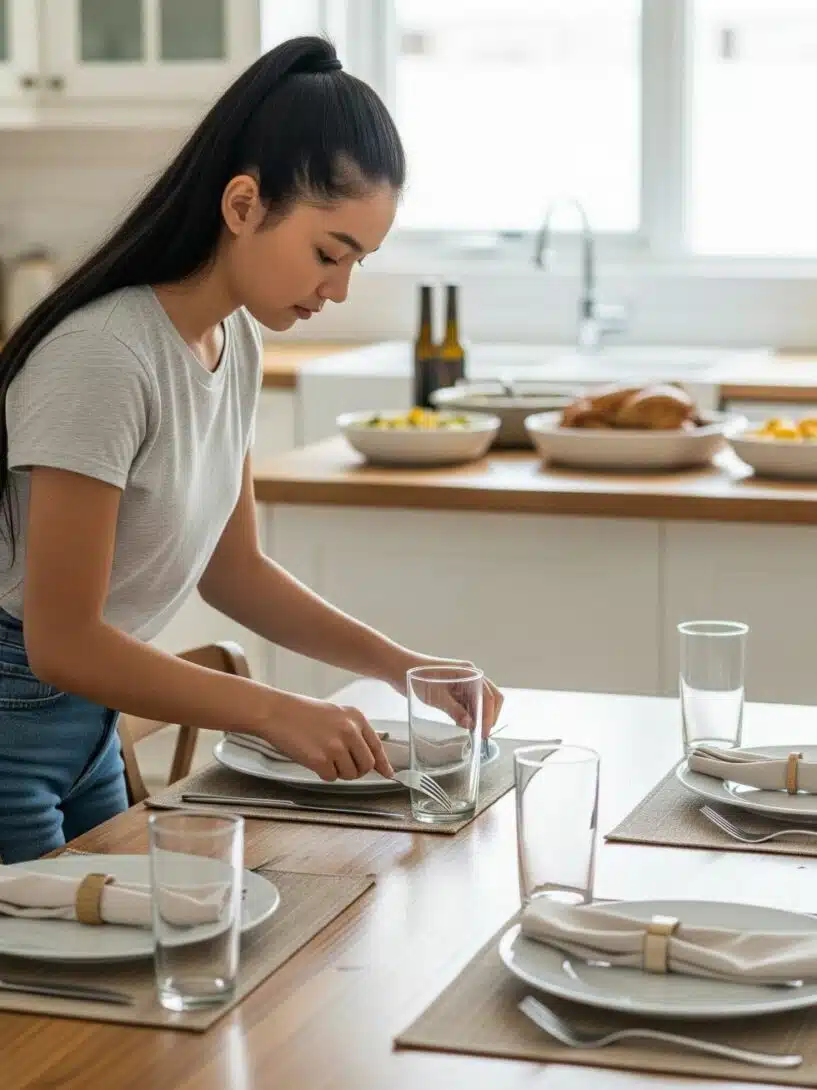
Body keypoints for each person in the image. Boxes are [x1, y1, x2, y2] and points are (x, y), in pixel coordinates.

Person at [0, 37, 502, 864]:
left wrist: (402, 667)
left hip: (84, 726)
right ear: (242, 206)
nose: (337, 289)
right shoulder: (104, 357)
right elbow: (63, 640)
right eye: (327, 253)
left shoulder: (231, 341)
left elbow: (235, 571)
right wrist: (271, 709)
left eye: (357, 263)